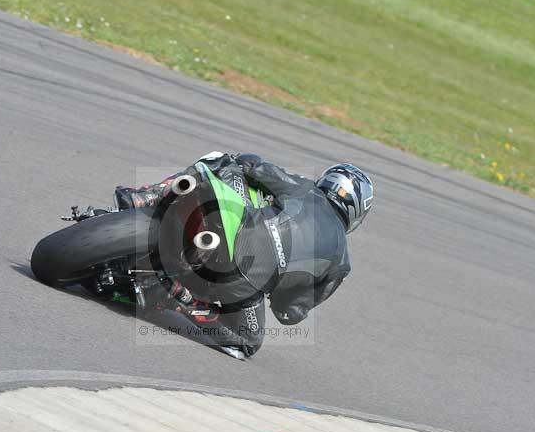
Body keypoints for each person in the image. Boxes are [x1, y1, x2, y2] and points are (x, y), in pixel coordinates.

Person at [114, 151, 373, 359]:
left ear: (327, 181)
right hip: (244, 286)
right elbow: (288, 313)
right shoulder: (341, 262)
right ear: (358, 211)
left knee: (221, 160)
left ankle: (147, 196)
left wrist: (247, 171)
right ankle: (183, 301)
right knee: (248, 343)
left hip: (234, 229)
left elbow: (251, 165)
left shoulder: (306, 188)